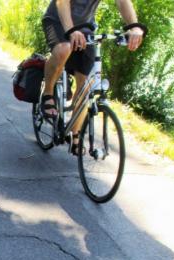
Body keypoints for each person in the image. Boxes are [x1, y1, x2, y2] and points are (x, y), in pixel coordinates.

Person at [41, 0, 145, 154]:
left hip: (85, 29)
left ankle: (75, 134)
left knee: (86, 83)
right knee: (64, 48)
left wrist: (134, 26)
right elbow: (62, 3)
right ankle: (48, 93)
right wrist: (71, 30)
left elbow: (122, 1)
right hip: (57, 20)